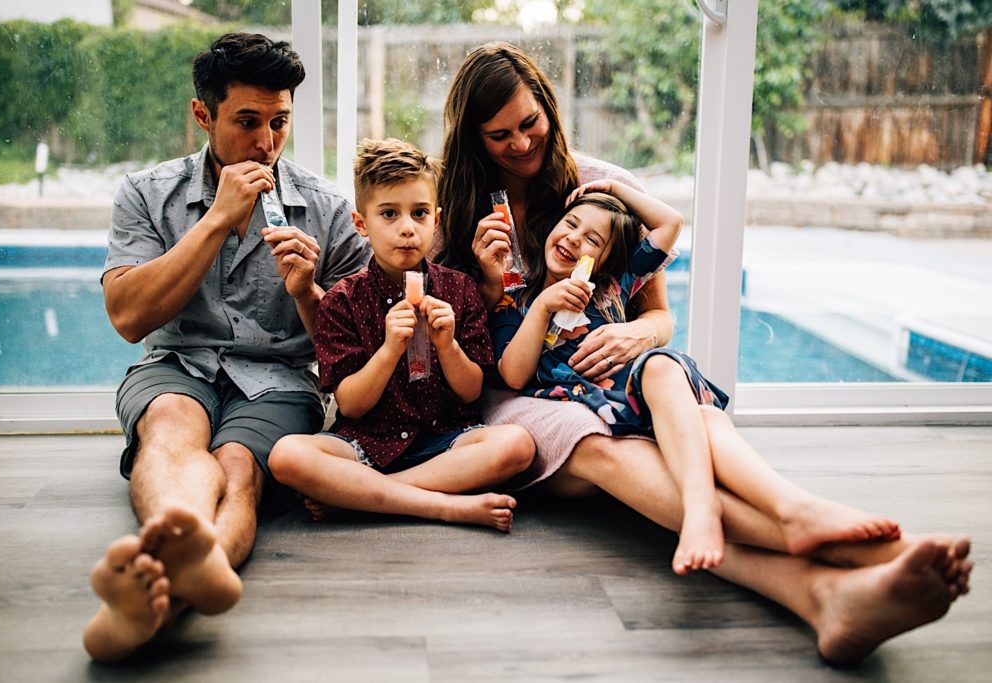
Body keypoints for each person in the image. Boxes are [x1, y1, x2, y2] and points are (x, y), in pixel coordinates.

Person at [433, 41, 972, 664]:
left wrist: (639, 335)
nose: (523, 144)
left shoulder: (601, 190)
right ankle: (872, 553)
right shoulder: (456, 209)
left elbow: (658, 314)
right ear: (473, 138)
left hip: (605, 377)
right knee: (600, 442)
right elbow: (465, 341)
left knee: (696, 410)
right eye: (500, 136)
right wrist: (484, 277)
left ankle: (823, 582)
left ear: (548, 107)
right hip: (516, 394)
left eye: (531, 123)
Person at [84, 33, 371, 663]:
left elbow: (359, 351)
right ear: (202, 115)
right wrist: (216, 219)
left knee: (239, 469)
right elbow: (129, 318)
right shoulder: (145, 194)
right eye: (246, 122)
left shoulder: (326, 211)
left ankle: (166, 588)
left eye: (279, 123)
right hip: (175, 365)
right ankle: (197, 565)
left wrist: (306, 293)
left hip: (278, 380)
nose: (265, 143)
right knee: (170, 432)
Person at [493, 183, 905, 576]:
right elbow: (513, 374)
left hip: (644, 394)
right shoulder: (520, 299)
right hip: (602, 410)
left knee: (660, 365)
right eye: (570, 225)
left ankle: (713, 508)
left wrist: (613, 190)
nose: (574, 240)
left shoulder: (612, 288)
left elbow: (669, 224)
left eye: (592, 241)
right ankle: (784, 515)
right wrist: (544, 305)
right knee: (707, 425)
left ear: (603, 261)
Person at [268, 138, 535, 532]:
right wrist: (390, 349)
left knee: (516, 444)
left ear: (437, 219)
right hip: (366, 444)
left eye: (420, 213)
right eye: (389, 214)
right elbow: (352, 406)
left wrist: (448, 346)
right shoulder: (341, 300)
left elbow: (471, 391)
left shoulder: (460, 290)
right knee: (287, 456)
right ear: (361, 224)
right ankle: (444, 507)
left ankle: (367, 497)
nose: (407, 228)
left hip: (445, 442)